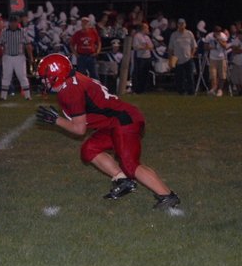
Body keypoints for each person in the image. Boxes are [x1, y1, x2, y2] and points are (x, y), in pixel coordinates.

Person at [35, 53, 180, 210]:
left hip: (124, 121)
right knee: (89, 149)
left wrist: (56, 120)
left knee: (130, 164)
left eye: (45, 77)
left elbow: (79, 129)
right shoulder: (73, 80)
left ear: (57, 75)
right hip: (113, 122)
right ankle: (123, 180)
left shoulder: (70, 90)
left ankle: (167, 195)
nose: (43, 81)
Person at [0, 15, 33, 101]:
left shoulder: (22, 31)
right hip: (7, 56)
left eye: (15, 22)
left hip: (19, 57)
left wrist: (31, 57)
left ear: (17, 22)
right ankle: (3, 96)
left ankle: (27, 96)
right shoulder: (4, 31)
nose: (13, 24)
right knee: (6, 76)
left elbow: (28, 45)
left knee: (22, 76)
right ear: (9, 22)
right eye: (12, 22)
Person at [167, 18, 197, 95]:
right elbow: (170, 48)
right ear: (178, 25)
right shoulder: (174, 35)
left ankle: (191, 92)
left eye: (183, 24)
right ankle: (181, 91)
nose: (181, 25)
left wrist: (192, 55)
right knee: (179, 77)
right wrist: (170, 59)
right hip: (178, 59)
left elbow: (194, 46)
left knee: (190, 77)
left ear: (185, 25)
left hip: (188, 58)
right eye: (180, 24)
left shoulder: (189, 34)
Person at [69, 15, 101, 80]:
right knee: (81, 75)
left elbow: (99, 42)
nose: (85, 24)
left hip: (91, 56)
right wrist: (76, 54)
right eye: (83, 23)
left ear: (89, 24)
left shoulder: (93, 32)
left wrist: (97, 51)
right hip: (81, 57)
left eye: (86, 23)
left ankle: (95, 86)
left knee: (94, 75)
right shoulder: (77, 34)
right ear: (81, 24)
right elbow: (71, 44)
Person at [205, 25, 228, 97]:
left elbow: (225, 46)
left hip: (222, 58)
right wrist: (211, 47)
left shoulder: (223, 36)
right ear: (214, 32)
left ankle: (220, 90)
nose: (218, 33)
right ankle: (214, 89)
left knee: (222, 75)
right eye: (216, 32)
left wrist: (219, 40)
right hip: (213, 58)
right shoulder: (209, 36)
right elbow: (205, 47)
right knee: (213, 75)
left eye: (219, 32)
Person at [132, 23, 154, 94]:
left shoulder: (147, 37)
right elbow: (135, 46)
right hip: (140, 57)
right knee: (139, 74)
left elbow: (151, 46)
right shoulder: (137, 36)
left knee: (146, 74)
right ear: (143, 29)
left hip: (147, 57)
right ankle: (138, 89)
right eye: (147, 28)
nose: (148, 30)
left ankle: (144, 89)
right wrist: (144, 47)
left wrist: (147, 47)